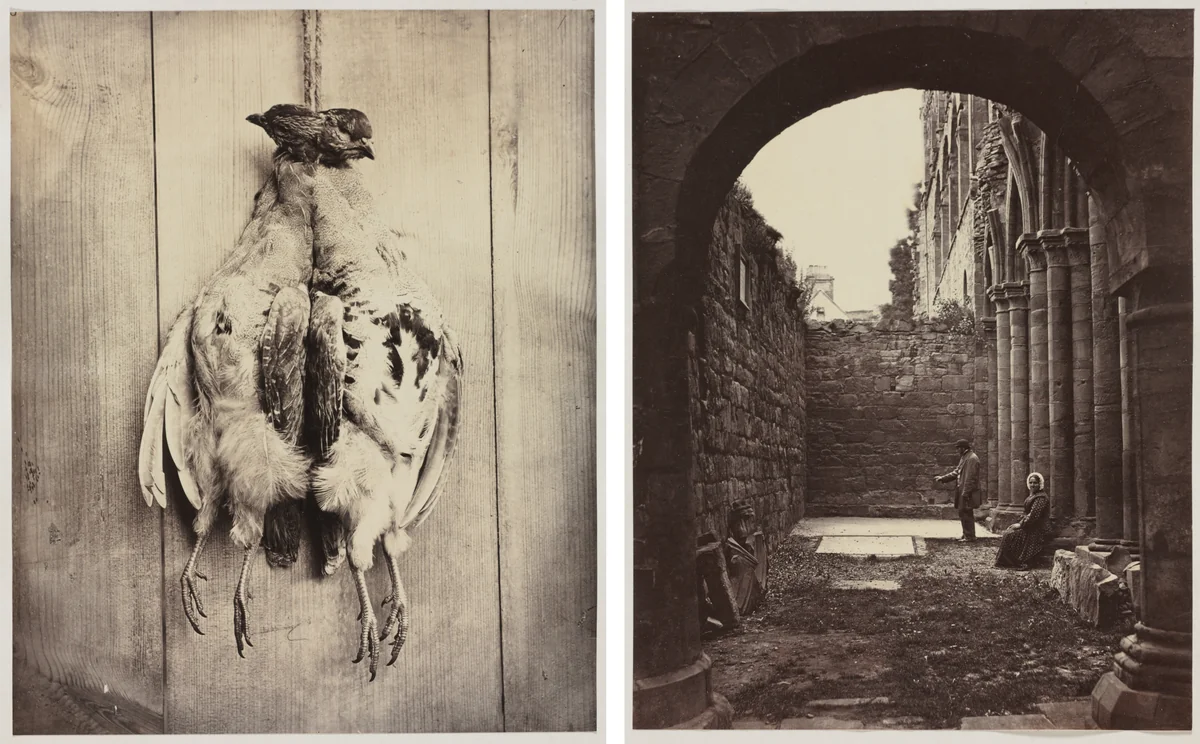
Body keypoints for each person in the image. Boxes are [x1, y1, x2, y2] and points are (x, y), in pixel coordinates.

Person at [994, 472, 1051, 570]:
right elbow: (1027, 514)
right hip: (1031, 525)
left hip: (1038, 527)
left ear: (1040, 484)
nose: (1032, 485)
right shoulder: (1033, 495)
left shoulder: (1041, 497)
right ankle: (1007, 562)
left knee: (1011, 535)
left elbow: (1034, 516)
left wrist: (1020, 525)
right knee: (1009, 533)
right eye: (1031, 482)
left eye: (1035, 483)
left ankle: (1016, 561)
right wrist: (1020, 522)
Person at [934, 438, 982, 542]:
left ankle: (969, 536)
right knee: (963, 512)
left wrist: (966, 492)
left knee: (966, 512)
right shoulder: (965, 457)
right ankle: (966, 534)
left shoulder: (972, 458)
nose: (957, 451)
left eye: (958, 448)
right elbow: (957, 472)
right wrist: (943, 478)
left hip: (967, 490)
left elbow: (970, 478)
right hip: (963, 489)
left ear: (963, 448)